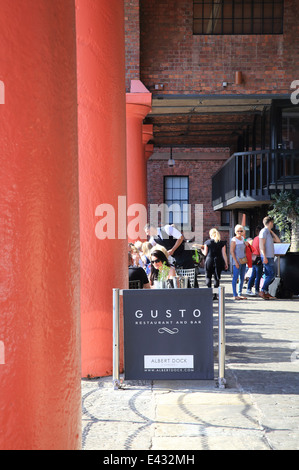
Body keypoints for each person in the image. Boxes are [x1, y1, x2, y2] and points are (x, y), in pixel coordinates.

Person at [198, 228, 228, 300]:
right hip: (219, 260)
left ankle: (209, 292)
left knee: (208, 277)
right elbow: (224, 254)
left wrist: (201, 250)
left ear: (210, 235)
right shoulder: (222, 243)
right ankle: (214, 295)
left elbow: (205, 253)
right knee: (216, 278)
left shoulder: (207, 242)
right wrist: (226, 263)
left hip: (209, 260)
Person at [258, 216, 280, 300]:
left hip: (270, 256)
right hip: (267, 256)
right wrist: (264, 256)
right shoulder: (263, 231)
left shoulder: (268, 232)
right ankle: (263, 290)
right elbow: (261, 245)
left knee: (268, 274)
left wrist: (271, 231)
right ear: (270, 222)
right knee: (272, 274)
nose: (273, 224)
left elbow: (278, 240)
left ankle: (266, 292)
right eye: (273, 223)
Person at [230, 224, 250, 300]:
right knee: (235, 277)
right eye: (238, 231)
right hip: (237, 261)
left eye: (241, 231)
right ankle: (235, 294)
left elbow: (246, 245)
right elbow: (232, 252)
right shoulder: (234, 240)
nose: (239, 232)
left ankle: (240, 293)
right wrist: (235, 262)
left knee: (242, 277)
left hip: (243, 260)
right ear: (235, 231)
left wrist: (246, 243)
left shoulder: (243, 238)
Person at [246, 226, 263, 296]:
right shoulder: (260, 239)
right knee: (258, 276)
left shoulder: (255, 239)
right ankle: (256, 290)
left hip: (253, 258)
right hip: (258, 258)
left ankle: (249, 289)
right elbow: (260, 249)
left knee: (253, 275)